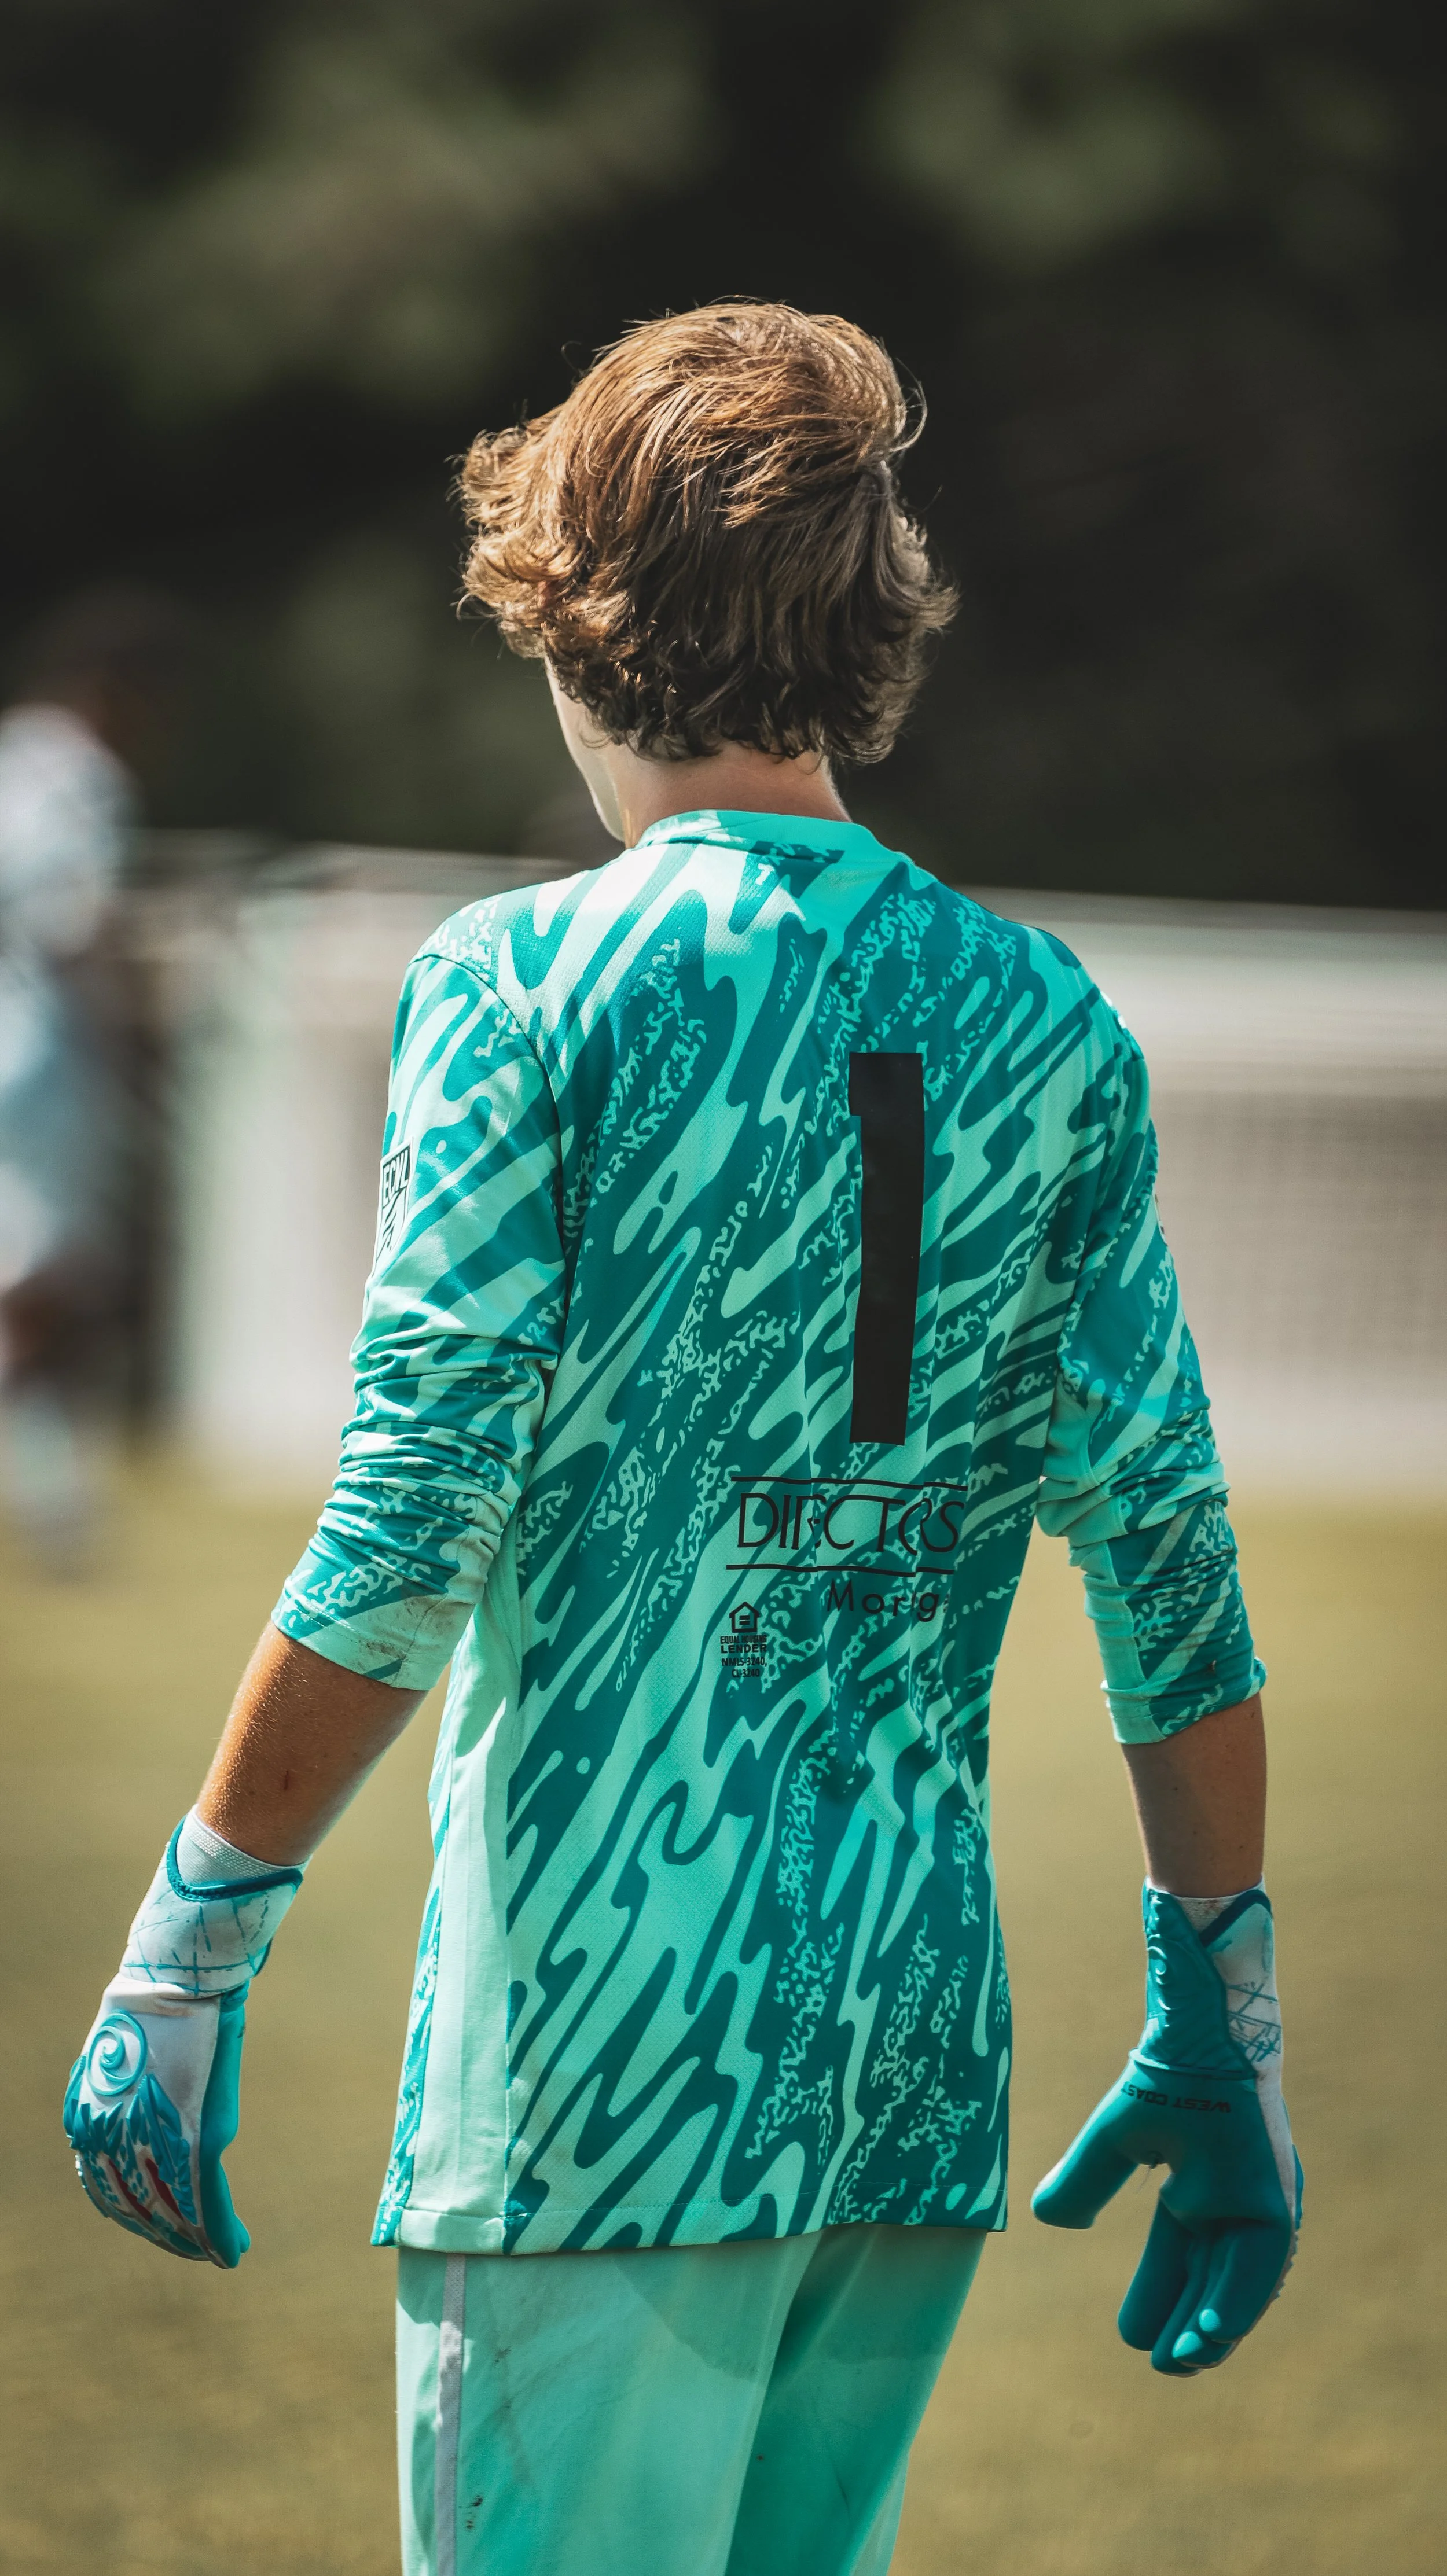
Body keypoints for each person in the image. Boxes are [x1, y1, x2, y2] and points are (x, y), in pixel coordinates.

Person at [65, 305, 1301, 2576]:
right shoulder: (1043, 1018)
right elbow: (1168, 1569)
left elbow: (407, 1526)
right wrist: (1222, 2004)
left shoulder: (522, 989)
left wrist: (192, 1940)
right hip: (909, 2053)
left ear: (572, 617)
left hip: (601, 2064)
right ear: (866, 621)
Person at [0, 588, 184, 1564]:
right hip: (47, 1062)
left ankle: (56, 1497)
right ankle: (55, 1508)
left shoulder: (15, 758)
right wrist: (140, 1036)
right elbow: (73, 926)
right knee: (43, 1291)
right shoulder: (82, 780)